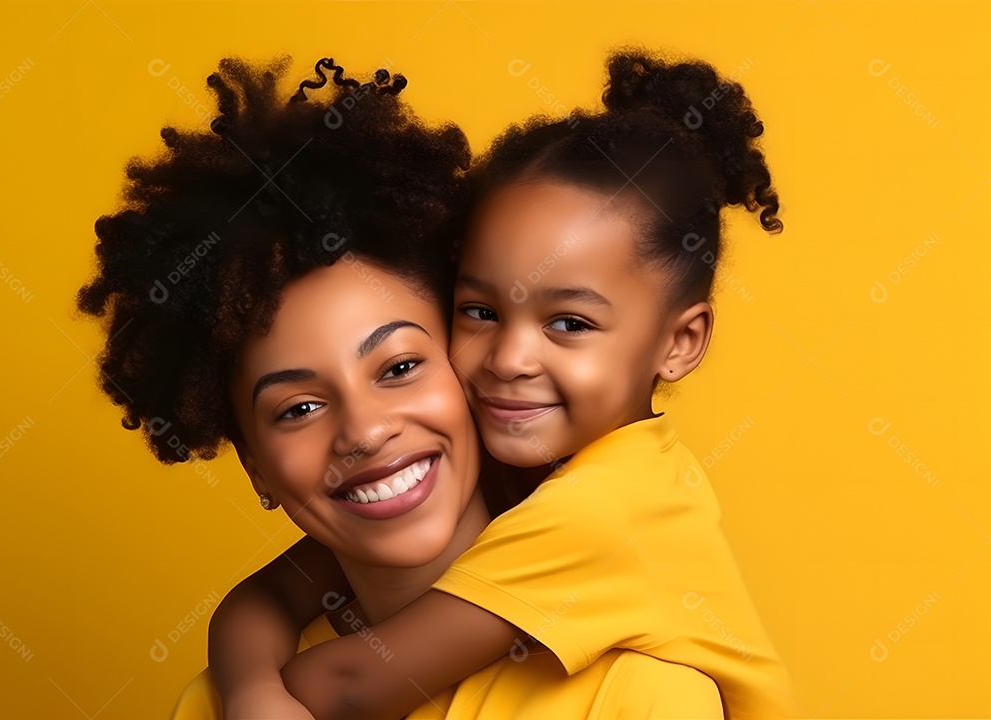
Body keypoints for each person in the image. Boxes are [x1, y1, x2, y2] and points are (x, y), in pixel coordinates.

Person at [76, 55, 726, 719]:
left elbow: (349, 684)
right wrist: (244, 689)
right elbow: (265, 599)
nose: (364, 431)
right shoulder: (218, 701)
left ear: (450, 367)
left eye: (399, 368)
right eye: (297, 408)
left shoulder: (636, 686)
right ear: (255, 467)